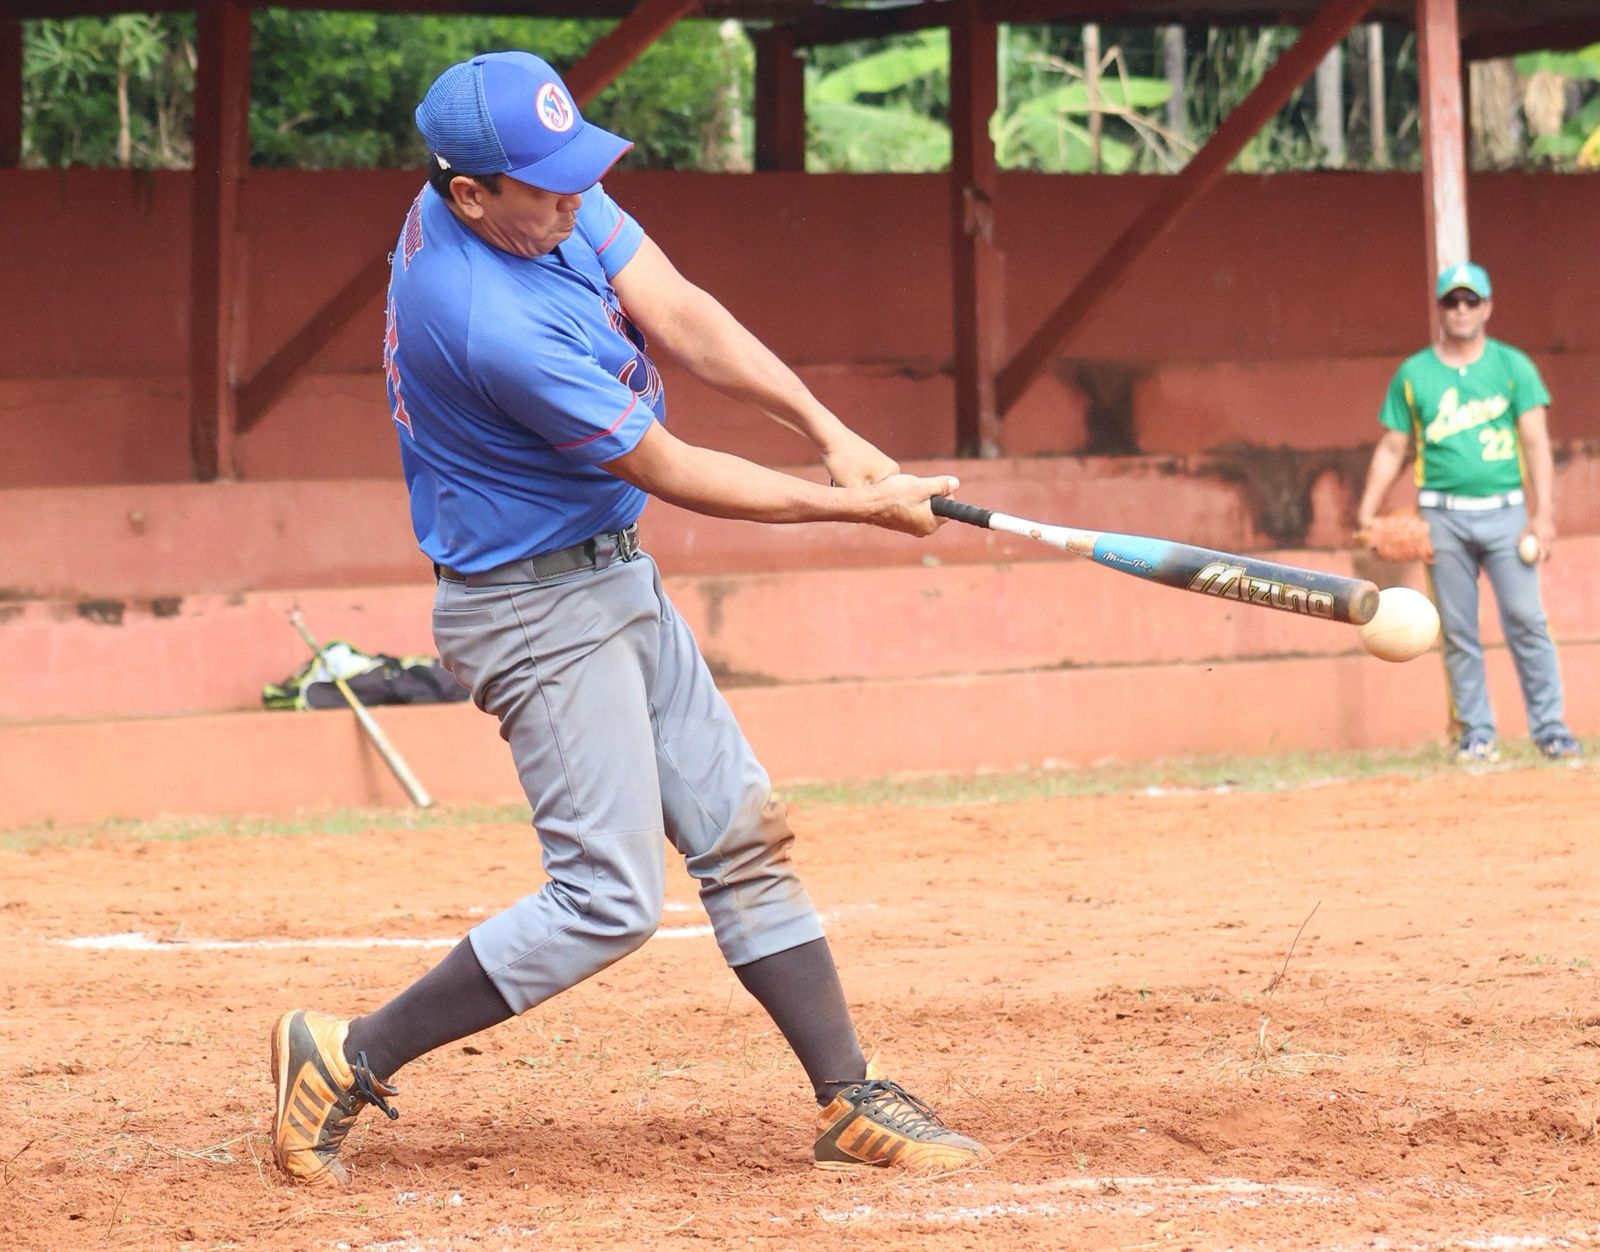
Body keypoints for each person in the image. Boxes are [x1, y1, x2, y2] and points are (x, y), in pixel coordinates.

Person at [269, 51, 987, 1187]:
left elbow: (680, 312)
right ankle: (341, 1055)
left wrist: (829, 429)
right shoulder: (483, 315)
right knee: (606, 897)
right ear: (468, 195)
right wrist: (852, 506)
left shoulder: (529, 191)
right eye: (549, 189)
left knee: (740, 828)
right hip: (530, 606)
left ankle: (850, 1096)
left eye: (577, 178)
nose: (576, 200)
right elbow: (674, 465)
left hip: (608, 572)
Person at [1356, 262, 1581, 766]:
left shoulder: (1512, 367)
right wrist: (1367, 512)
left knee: (1526, 620)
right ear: (1440, 309)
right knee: (1457, 628)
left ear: (1488, 307)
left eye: (1471, 301)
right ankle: (1477, 735)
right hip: (1442, 516)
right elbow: (1394, 447)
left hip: (1506, 512)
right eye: (1452, 301)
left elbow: (1537, 444)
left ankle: (1551, 730)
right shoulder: (1415, 373)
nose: (1461, 309)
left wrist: (1543, 516)